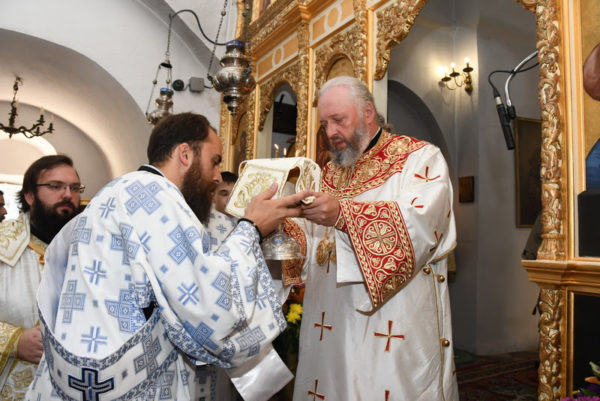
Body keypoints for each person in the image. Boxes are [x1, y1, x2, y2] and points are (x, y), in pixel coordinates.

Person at [25, 112, 310, 401]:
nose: (216, 176)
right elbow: (209, 306)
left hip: (86, 376)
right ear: (185, 154)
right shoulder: (154, 194)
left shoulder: (119, 191)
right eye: (214, 161)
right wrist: (251, 228)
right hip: (129, 386)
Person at [286, 76, 458, 400]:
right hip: (329, 330)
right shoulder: (326, 174)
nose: (330, 132)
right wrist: (277, 226)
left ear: (368, 113)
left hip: (392, 329)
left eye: (339, 120)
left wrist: (343, 215)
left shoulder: (419, 159)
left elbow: (420, 225)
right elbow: (313, 248)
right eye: (325, 124)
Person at [0, 155, 83, 399]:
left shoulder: (93, 249)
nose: (67, 195)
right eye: (56, 186)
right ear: (29, 196)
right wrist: (14, 341)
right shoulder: (2, 243)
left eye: (74, 188)